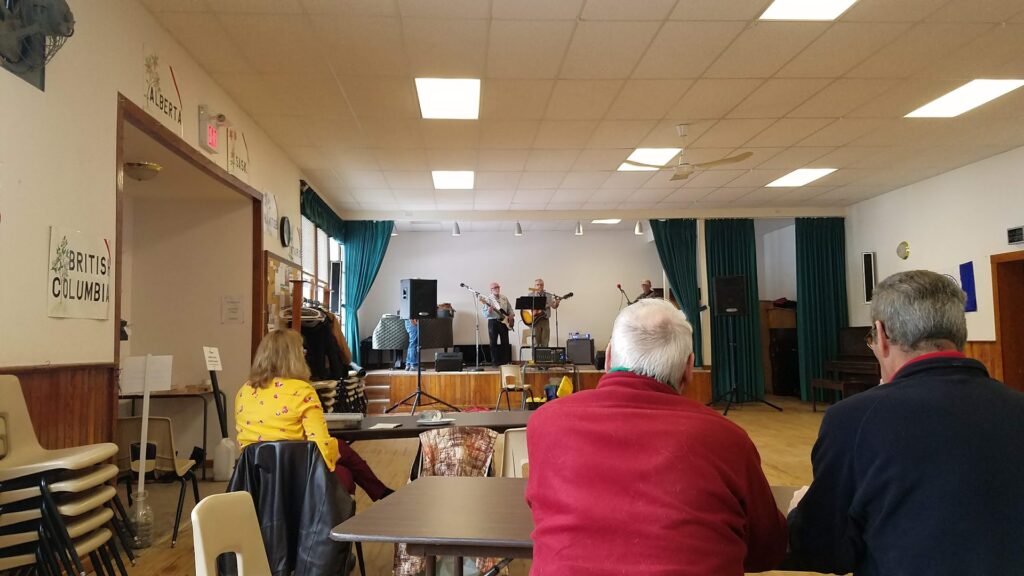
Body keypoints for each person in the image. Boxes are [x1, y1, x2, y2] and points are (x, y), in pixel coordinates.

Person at [787, 270, 1024, 575]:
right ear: (960, 334)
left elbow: (824, 549)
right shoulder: (1016, 406)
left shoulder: (853, 418)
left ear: (881, 334)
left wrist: (797, 513)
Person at [526, 299, 787, 575]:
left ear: (609, 357)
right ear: (689, 368)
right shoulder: (727, 438)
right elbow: (766, 551)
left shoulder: (545, 423)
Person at [236, 330, 393, 501]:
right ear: (294, 357)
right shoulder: (302, 391)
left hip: (255, 475)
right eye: (302, 350)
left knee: (341, 451)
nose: (305, 354)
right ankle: (381, 495)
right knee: (345, 474)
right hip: (295, 472)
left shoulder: (244, 390)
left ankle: (382, 493)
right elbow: (321, 446)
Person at [480, 282, 513, 366]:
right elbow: (484, 314)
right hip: (493, 322)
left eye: (498, 287)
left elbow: (509, 308)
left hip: (504, 322)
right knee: (493, 343)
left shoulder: (504, 298)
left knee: (505, 342)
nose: (497, 289)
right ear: (491, 290)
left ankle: (505, 362)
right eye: (494, 288)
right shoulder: (488, 299)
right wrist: (489, 311)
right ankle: (495, 362)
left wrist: (511, 316)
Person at [531, 278, 559, 347]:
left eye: (541, 285)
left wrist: (557, 303)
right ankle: (535, 354)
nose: (539, 286)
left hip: (545, 320)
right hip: (535, 320)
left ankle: (544, 354)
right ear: (534, 286)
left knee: (545, 341)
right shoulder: (531, 295)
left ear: (543, 286)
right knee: (536, 342)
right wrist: (533, 312)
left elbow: (554, 306)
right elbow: (527, 309)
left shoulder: (548, 295)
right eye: (537, 285)